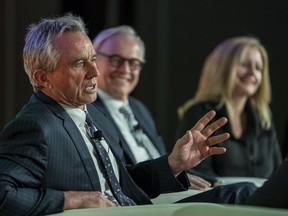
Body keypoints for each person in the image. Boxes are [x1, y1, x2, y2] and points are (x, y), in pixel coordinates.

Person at [0, 14, 253, 216]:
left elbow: (124, 182)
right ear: (42, 77)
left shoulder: (94, 114)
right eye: (79, 63)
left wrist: (173, 164)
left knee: (240, 193)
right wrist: (70, 199)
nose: (94, 72)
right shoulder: (35, 125)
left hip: (138, 207)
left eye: (93, 59)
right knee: (241, 195)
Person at [92, 25, 221, 189]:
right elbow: (112, 174)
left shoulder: (140, 109)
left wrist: (197, 178)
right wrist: (168, 174)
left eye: (133, 63)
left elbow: (160, 159)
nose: (125, 70)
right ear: (94, 59)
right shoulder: (88, 110)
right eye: (116, 60)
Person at [176, 36, 282, 178]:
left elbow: (278, 173)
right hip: (217, 199)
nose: (252, 72)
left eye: (258, 68)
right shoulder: (199, 113)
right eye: (245, 64)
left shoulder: (264, 119)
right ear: (223, 68)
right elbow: (196, 173)